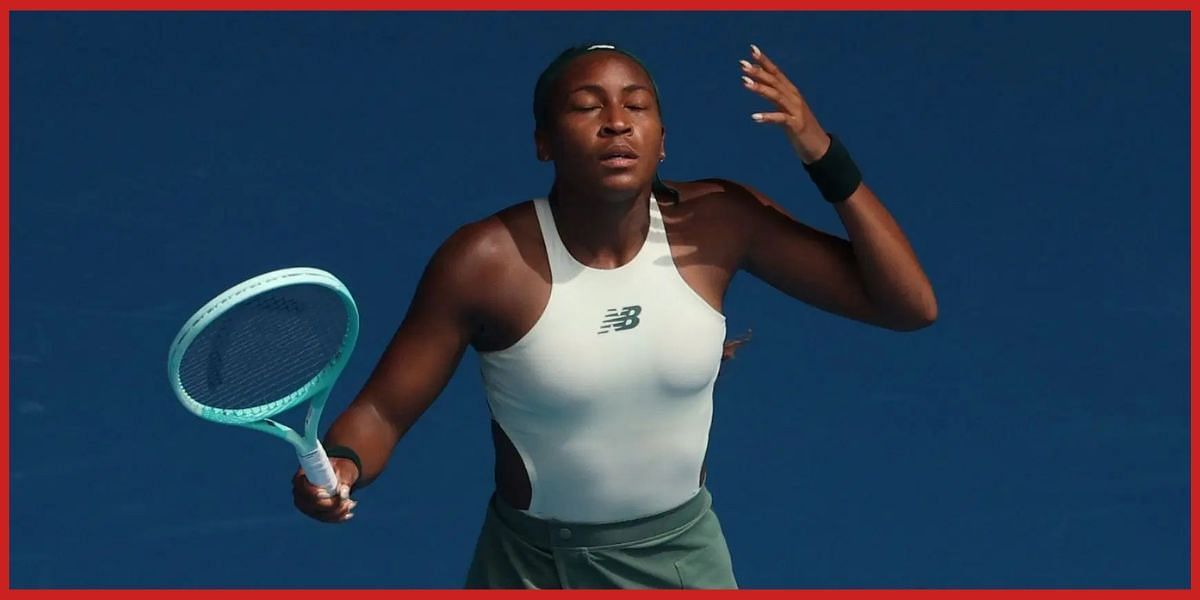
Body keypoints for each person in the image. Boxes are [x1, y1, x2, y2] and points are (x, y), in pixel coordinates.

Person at [291, 42, 937, 589]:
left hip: (682, 560)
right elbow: (380, 413)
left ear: (662, 140)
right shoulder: (486, 263)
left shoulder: (719, 223)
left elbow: (906, 304)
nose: (616, 122)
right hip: (526, 567)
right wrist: (341, 466)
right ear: (544, 143)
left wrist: (820, 150)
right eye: (585, 106)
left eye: (637, 105)